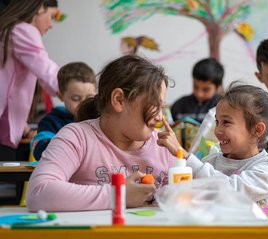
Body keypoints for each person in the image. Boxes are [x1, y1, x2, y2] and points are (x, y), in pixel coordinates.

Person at [26, 55, 176, 211]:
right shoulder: (77, 137)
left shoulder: (164, 146)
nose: (159, 117)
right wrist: (117, 195)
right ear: (119, 100)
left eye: (161, 107)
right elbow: (38, 193)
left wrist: (186, 158)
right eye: (153, 105)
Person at [159, 83, 268, 205]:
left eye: (226, 122)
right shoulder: (209, 161)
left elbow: (231, 191)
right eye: (217, 122)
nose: (217, 130)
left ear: (257, 130)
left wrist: (185, 156)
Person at [0, 0, 60, 151]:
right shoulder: (23, 29)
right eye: (52, 16)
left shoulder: (10, 29)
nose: (51, 25)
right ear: (40, 8)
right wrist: (83, 94)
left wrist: (24, 127)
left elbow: (8, 88)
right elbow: (48, 72)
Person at [30, 62, 97, 161]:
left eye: (89, 98)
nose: (83, 103)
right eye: (76, 98)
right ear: (60, 95)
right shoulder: (50, 122)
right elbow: (40, 148)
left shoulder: (100, 119)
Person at [171, 58, 224, 123]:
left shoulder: (222, 107)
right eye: (195, 87)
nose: (199, 94)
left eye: (205, 90)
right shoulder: (179, 106)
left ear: (217, 86)